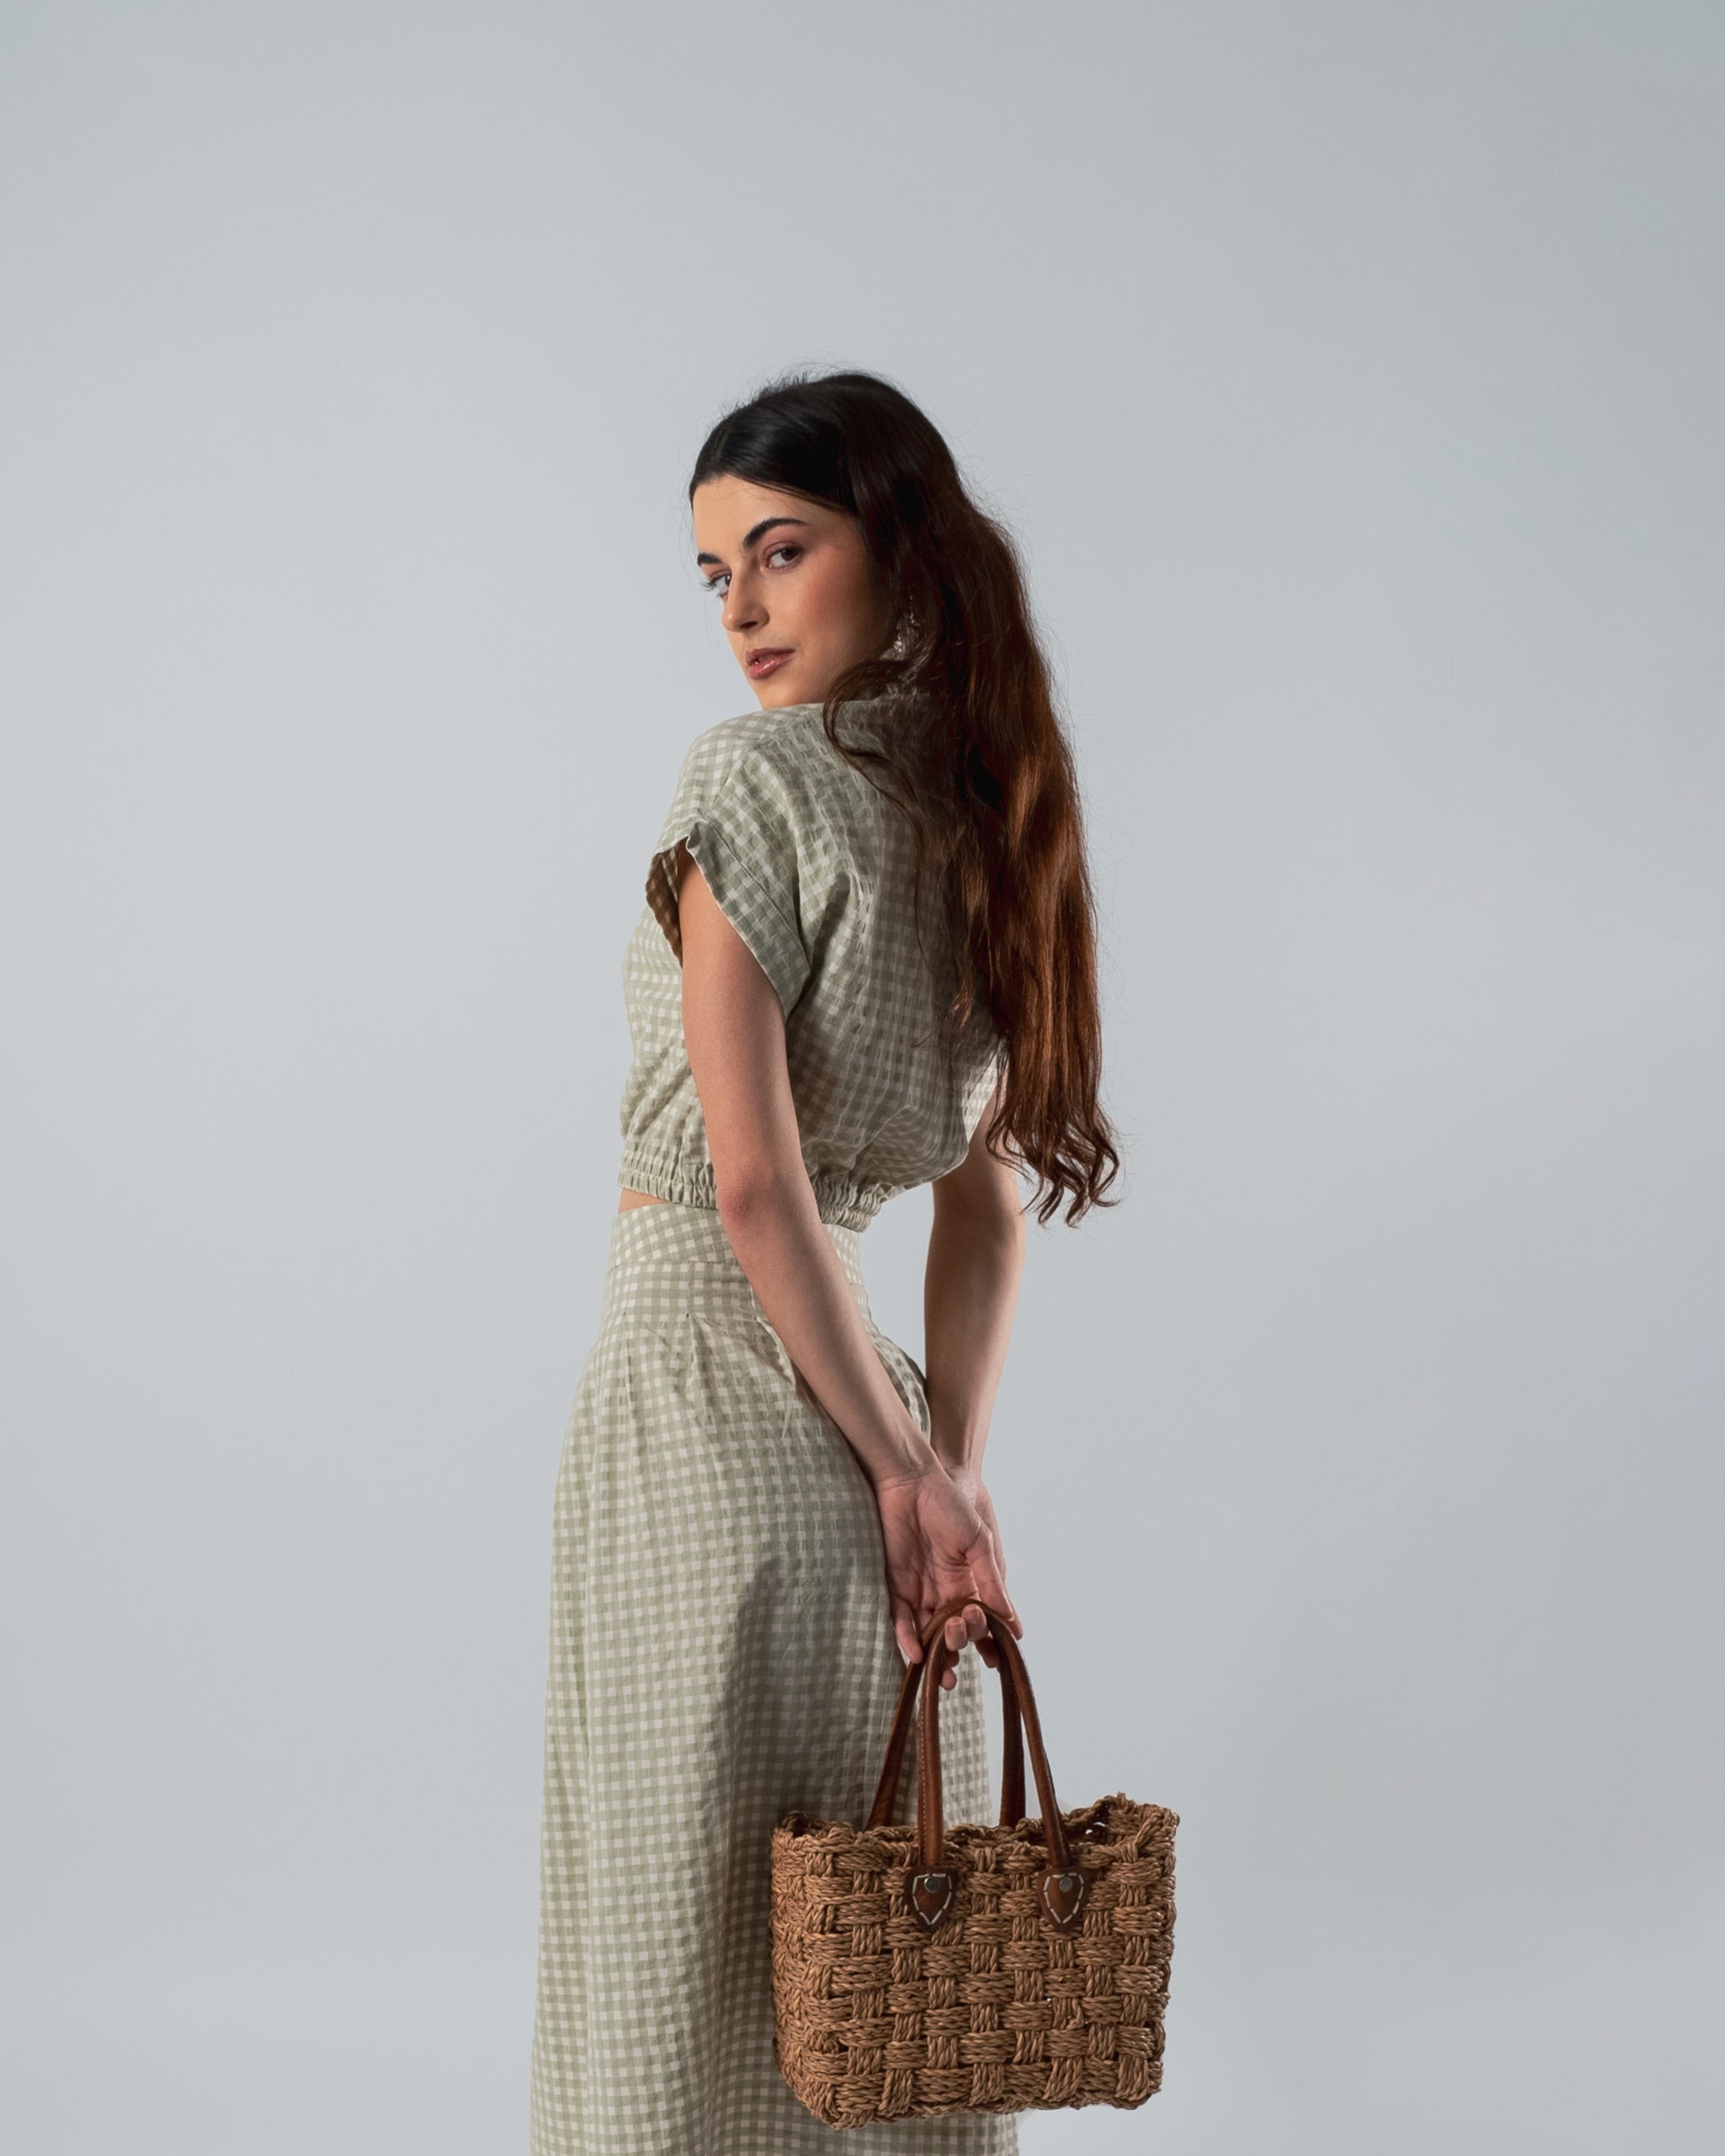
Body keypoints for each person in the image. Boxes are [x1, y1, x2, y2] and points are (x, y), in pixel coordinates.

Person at [528, 371, 1119, 2154]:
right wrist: (939, 1470)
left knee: (669, 1945)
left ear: (900, 549)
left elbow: (753, 1194)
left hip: (702, 1397)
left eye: (781, 553)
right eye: (713, 574)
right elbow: (983, 1203)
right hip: (867, 1429)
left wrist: (911, 1471)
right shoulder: (983, 812)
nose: (741, 611)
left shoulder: (752, 781)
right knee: (862, 1959)